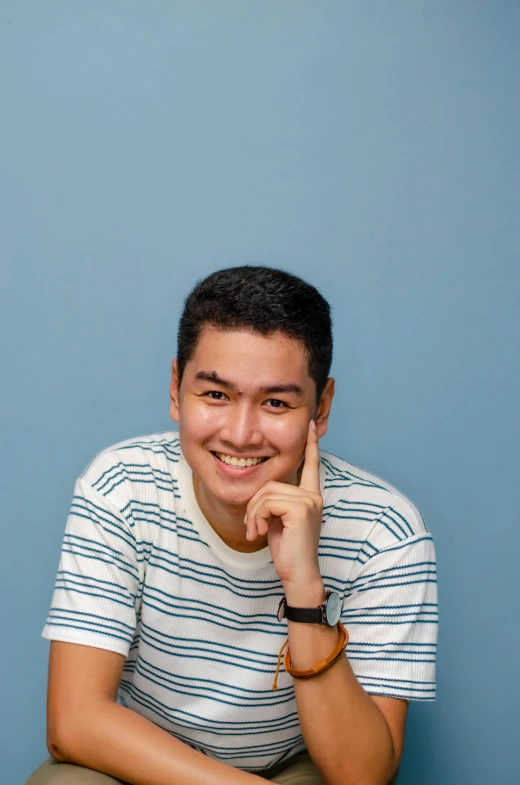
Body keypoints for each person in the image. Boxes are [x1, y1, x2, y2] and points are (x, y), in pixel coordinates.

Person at [27, 266, 438, 785]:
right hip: (150, 762)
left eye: (276, 403)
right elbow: (74, 721)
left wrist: (305, 589)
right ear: (177, 390)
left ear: (322, 407)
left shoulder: (386, 530)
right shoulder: (121, 486)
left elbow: (363, 775)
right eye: (216, 395)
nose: (241, 434)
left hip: (297, 767)